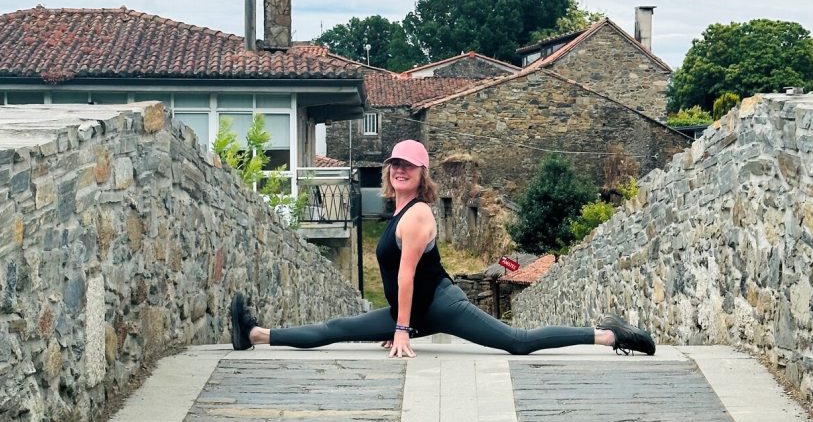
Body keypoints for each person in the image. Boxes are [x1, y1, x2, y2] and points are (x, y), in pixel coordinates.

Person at [229, 139, 655, 358]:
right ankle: (254, 334)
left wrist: (400, 329)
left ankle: (609, 334)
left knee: (518, 342)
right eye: (395, 165)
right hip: (413, 313)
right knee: (337, 328)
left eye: (408, 167)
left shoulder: (417, 215)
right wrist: (399, 322)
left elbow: (407, 274)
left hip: (442, 305)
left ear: (422, 174)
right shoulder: (397, 213)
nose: (399, 171)